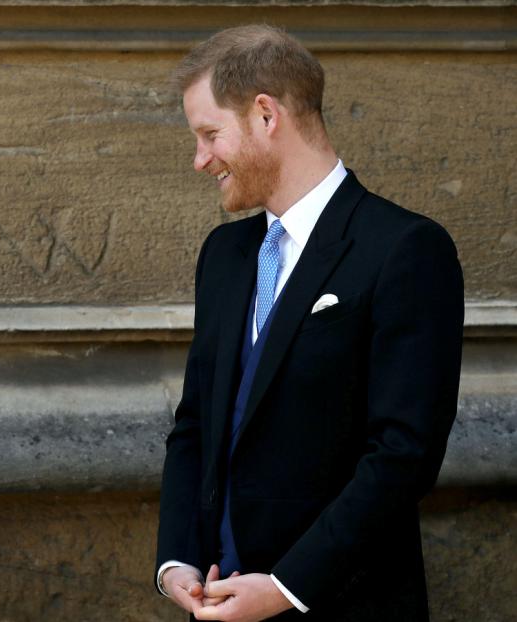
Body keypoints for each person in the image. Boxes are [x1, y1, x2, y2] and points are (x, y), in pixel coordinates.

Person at [155, 25, 463, 621]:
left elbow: (404, 454)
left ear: (266, 115)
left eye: (209, 134)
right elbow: (195, 424)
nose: (199, 160)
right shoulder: (225, 256)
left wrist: (287, 587)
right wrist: (177, 562)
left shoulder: (405, 249)